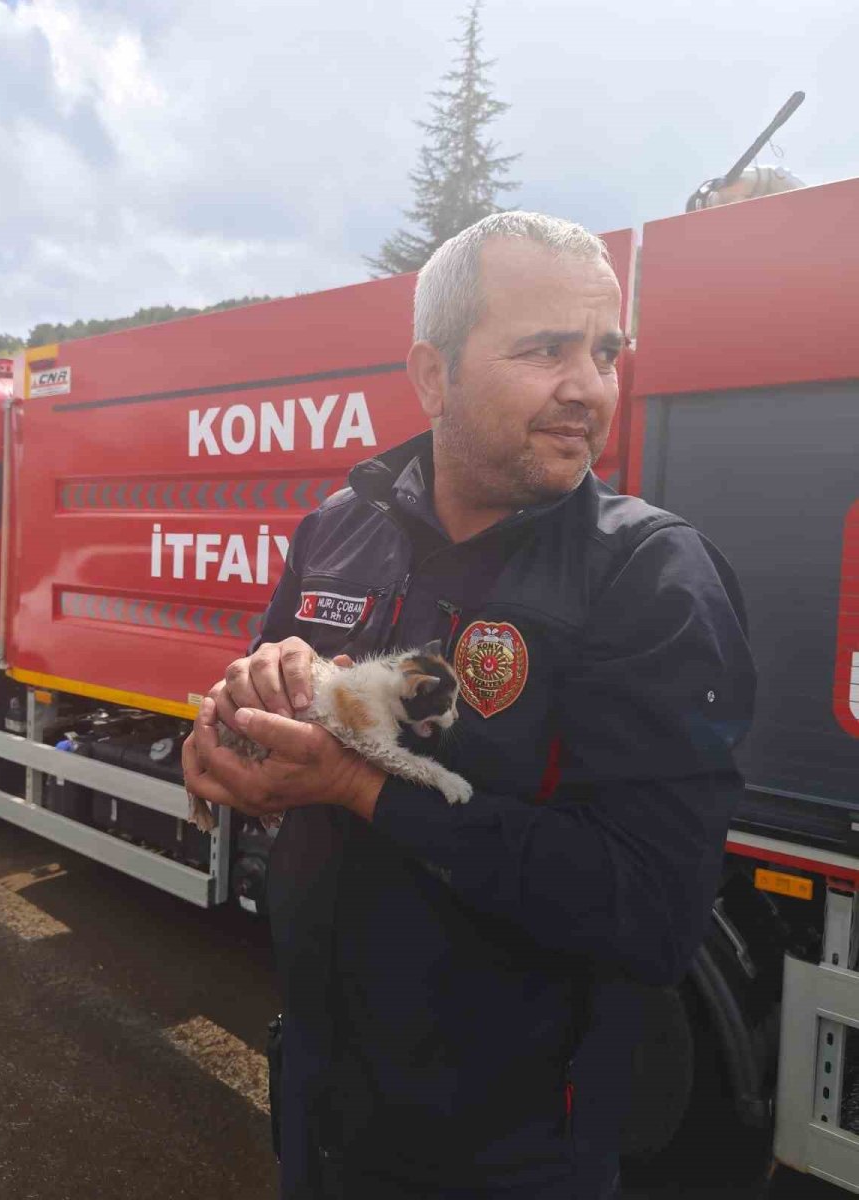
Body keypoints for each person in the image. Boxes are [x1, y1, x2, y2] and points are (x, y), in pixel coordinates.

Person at [183, 212, 757, 1199]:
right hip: (323, 1109)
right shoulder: (339, 529)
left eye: (605, 352)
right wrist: (232, 730)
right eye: (546, 350)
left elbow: (653, 914)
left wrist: (365, 789)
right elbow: (267, 726)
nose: (587, 386)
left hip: (510, 1156)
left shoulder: (652, 577)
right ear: (432, 374)